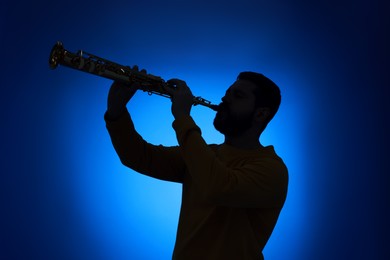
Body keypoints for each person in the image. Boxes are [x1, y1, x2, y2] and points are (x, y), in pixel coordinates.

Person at [104, 71, 288, 260]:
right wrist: (116, 111)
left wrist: (183, 117)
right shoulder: (205, 154)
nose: (225, 99)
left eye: (238, 96)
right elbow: (138, 157)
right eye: (227, 93)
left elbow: (217, 187)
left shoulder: (272, 169)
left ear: (261, 114)